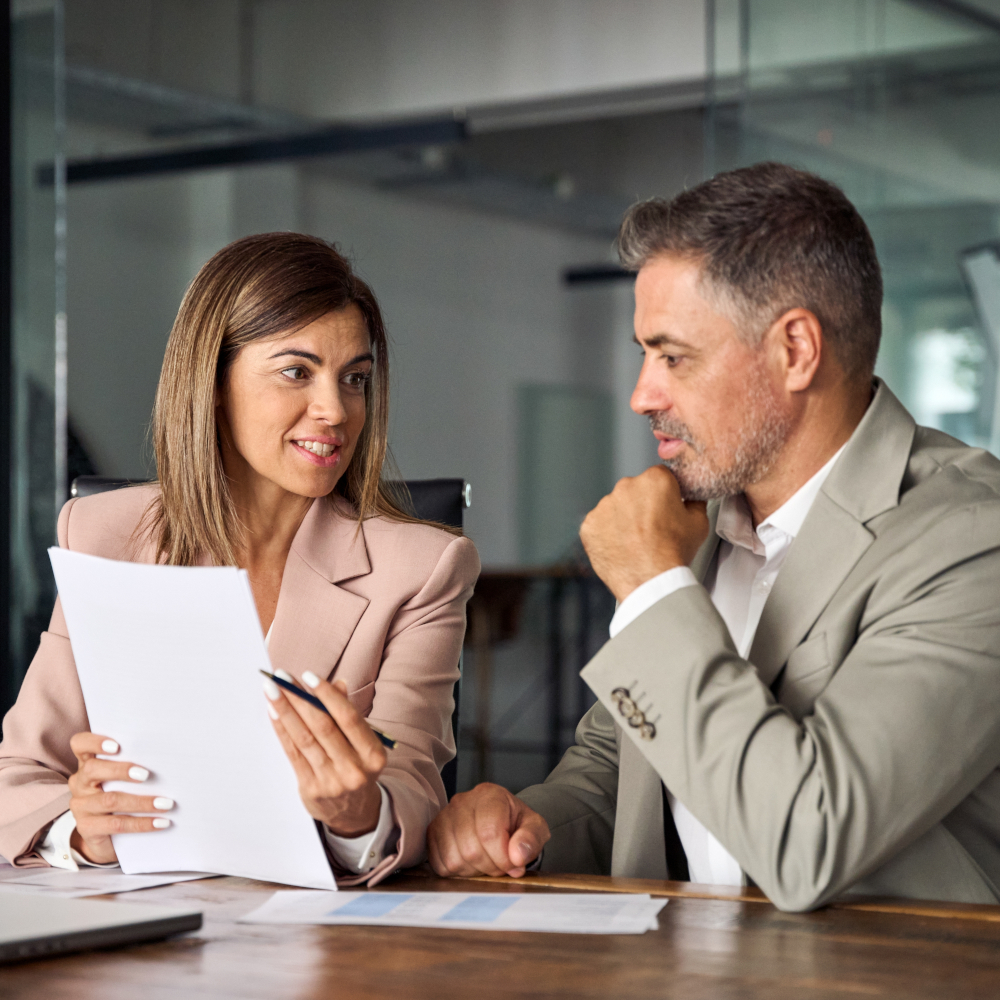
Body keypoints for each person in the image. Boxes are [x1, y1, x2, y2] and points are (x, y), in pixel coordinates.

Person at [427, 162, 1000, 912]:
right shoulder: (697, 523)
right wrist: (534, 826)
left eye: (673, 356)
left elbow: (810, 836)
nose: (642, 394)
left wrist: (654, 588)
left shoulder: (969, 539)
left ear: (796, 350)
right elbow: (619, 763)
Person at [0, 233, 479, 886]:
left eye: (355, 379)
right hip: (138, 936)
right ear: (214, 382)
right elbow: (17, 780)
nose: (336, 410)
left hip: (325, 944)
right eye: (296, 371)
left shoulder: (421, 569)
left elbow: (416, 785)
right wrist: (85, 829)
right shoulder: (105, 535)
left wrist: (357, 814)